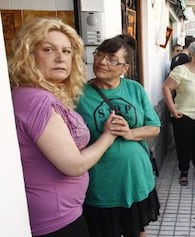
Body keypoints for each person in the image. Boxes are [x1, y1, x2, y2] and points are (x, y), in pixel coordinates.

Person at [9, 18, 118, 237]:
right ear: (28, 55)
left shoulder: (32, 94)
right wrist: (108, 135)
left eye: (67, 51)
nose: (60, 58)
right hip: (56, 220)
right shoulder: (37, 100)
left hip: (58, 213)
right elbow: (73, 165)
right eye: (48, 49)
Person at [75, 34, 161, 237]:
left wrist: (129, 132)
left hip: (136, 179)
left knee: (137, 231)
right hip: (102, 183)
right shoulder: (78, 94)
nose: (102, 62)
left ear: (125, 68)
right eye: (100, 54)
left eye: (112, 59)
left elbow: (154, 127)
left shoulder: (135, 88)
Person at [163, 41, 195, 186]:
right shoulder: (180, 70)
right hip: (183, 115)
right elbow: (166, 88)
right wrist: (172, 108)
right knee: (183, 145)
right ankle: (184, 171)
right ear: (192, 54)